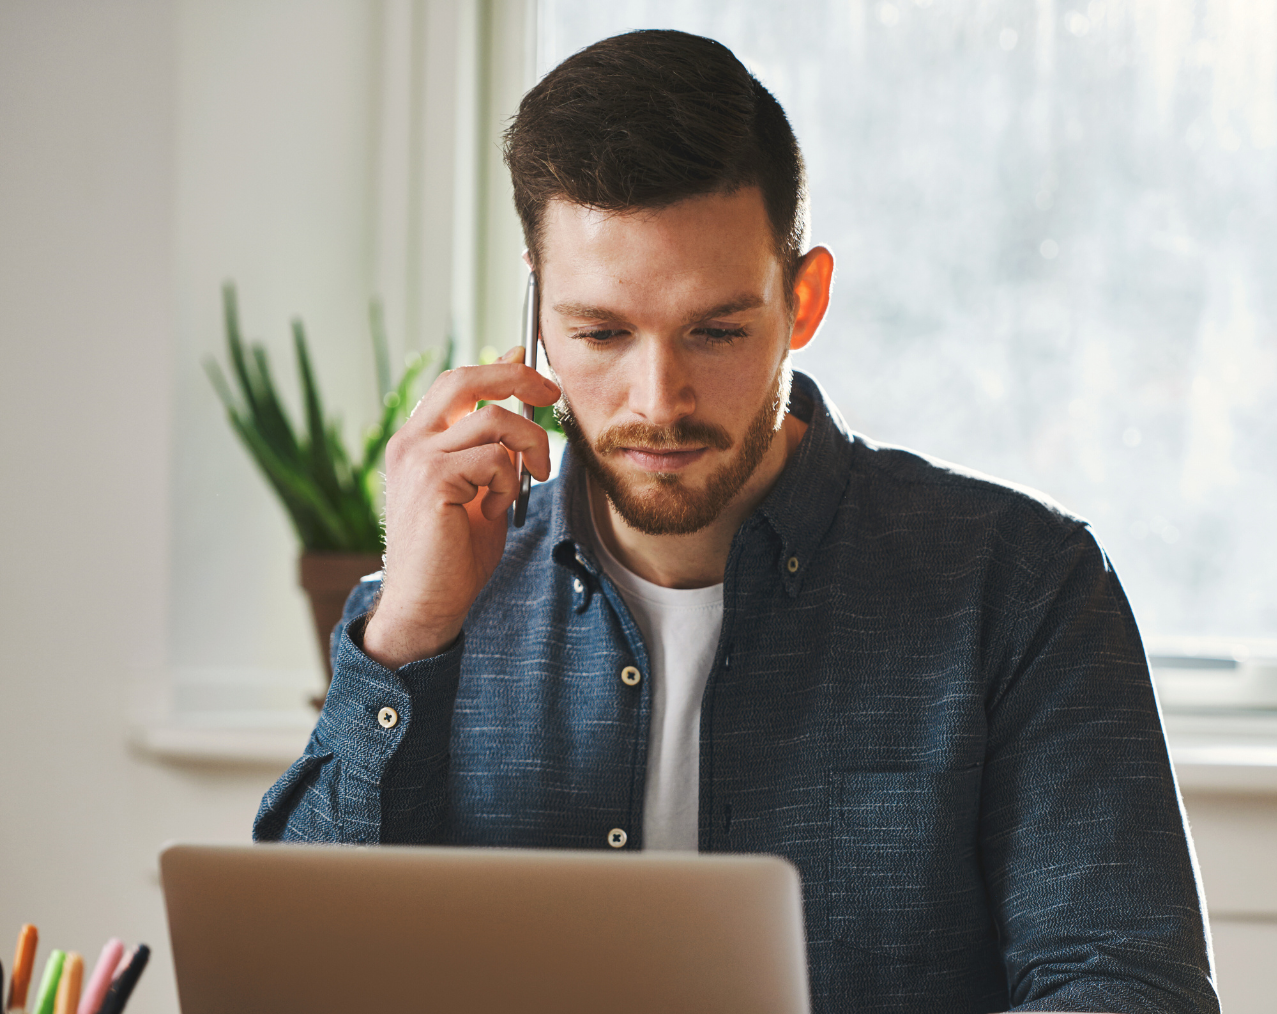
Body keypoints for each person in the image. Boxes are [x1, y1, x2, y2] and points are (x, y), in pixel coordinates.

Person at [256, 28, 1218, 1014]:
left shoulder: (1020, 587)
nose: (657, 396)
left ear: (804, 300)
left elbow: (1132, 991)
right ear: (537, 317)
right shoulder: (440, 598)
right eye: (601, 333)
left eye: (714, 331)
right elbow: (287, 980)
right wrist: (405, 635)